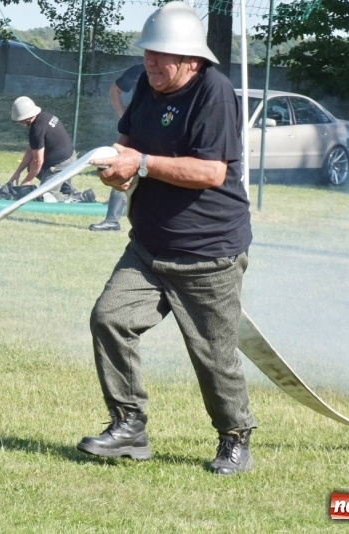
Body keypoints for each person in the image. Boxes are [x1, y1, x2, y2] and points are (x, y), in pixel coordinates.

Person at [78, 2, 256, 475]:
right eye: (147, 53)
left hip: (207, 254)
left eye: (160, 55)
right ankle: (128, 426)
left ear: (191, 59)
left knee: (214, 357)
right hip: (149, 246)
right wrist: (114, 166)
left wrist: (141, 164)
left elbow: (211, 171)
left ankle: (235, 439)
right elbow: (128, 145)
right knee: (109, 318)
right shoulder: (146, 85)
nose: (150, 62)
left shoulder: (214, 92)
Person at [89, 63, 145, 232]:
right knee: (121, 167)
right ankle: (112, 219)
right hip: (137, 130)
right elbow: (115, 89)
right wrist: (124, 117)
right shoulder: (139, 70)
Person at [8, 96, 77, 196]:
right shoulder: (46, 116)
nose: (19, 122)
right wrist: (17, 172)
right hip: (70, 156)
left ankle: (71, 199)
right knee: (31, 168)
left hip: (61, 163)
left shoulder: (37, 130)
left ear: (25, 119)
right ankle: (66, 188)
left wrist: (27, 180)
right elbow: (31, 151)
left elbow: (38, 161)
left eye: (19, 120)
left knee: (46, 196)